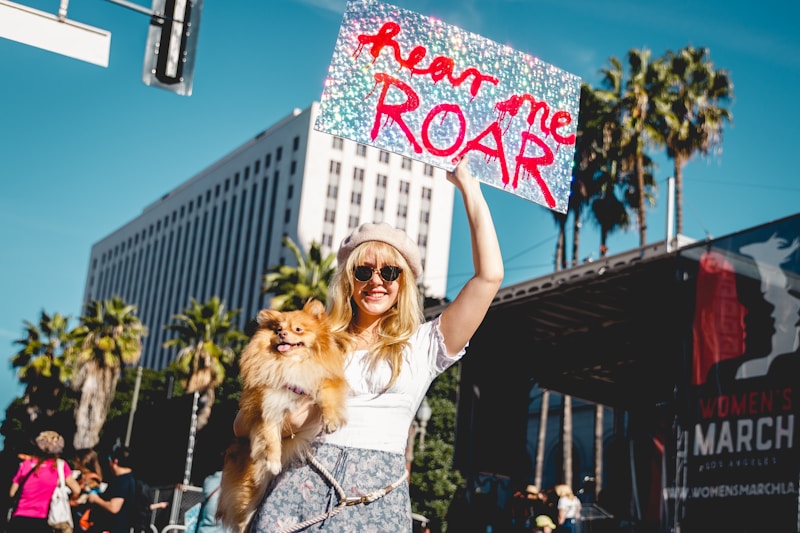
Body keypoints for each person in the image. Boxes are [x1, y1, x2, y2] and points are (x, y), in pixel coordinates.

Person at [238, 155, 503, 531]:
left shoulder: (425, 344)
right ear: (349, 280)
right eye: (364, 271)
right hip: (298, 492)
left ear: (403, 282)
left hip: (377, 501)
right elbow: (243, 422)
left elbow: (489, 277)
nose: (376, 281)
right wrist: (290, 421)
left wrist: (469, 187)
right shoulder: (315, 342)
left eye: (389, 271)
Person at [7, 430, 81, 533]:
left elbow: (12, 493)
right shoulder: (59, 466)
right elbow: (76, 489)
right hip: (42, 519)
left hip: (19, 518)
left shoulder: (26, 465)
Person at [86, 446, 137, 533]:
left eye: (109, 459)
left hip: (113, 528)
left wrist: (95, 499)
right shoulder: (133, 479)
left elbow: (114, 507)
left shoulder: (121, 480)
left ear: (115, 461)